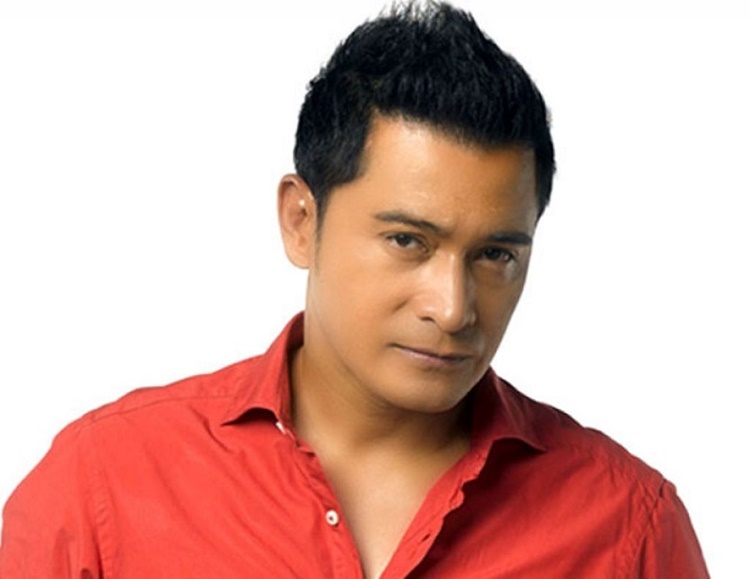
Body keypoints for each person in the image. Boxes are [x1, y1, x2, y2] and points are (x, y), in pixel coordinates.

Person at [0, 2, 709, 578]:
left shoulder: (629, 525)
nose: (453, 307)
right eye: (408, 241)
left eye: (495, 255)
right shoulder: (103, 484)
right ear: (300, 221)